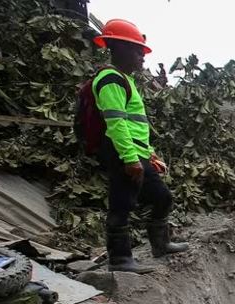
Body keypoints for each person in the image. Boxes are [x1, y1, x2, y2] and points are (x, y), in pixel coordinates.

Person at [91, 19, 188, 273]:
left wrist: (149, 153)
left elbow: (134, 124)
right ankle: (120, 259)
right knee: (121, 204)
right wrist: (130, 158)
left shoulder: (125, 80)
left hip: (136, 151)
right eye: (137, 51)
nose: (142, 57)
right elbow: (116, 123)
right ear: (119, 48)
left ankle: (160, 243)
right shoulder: (110, 79)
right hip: (122, 151)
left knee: (161, 197)